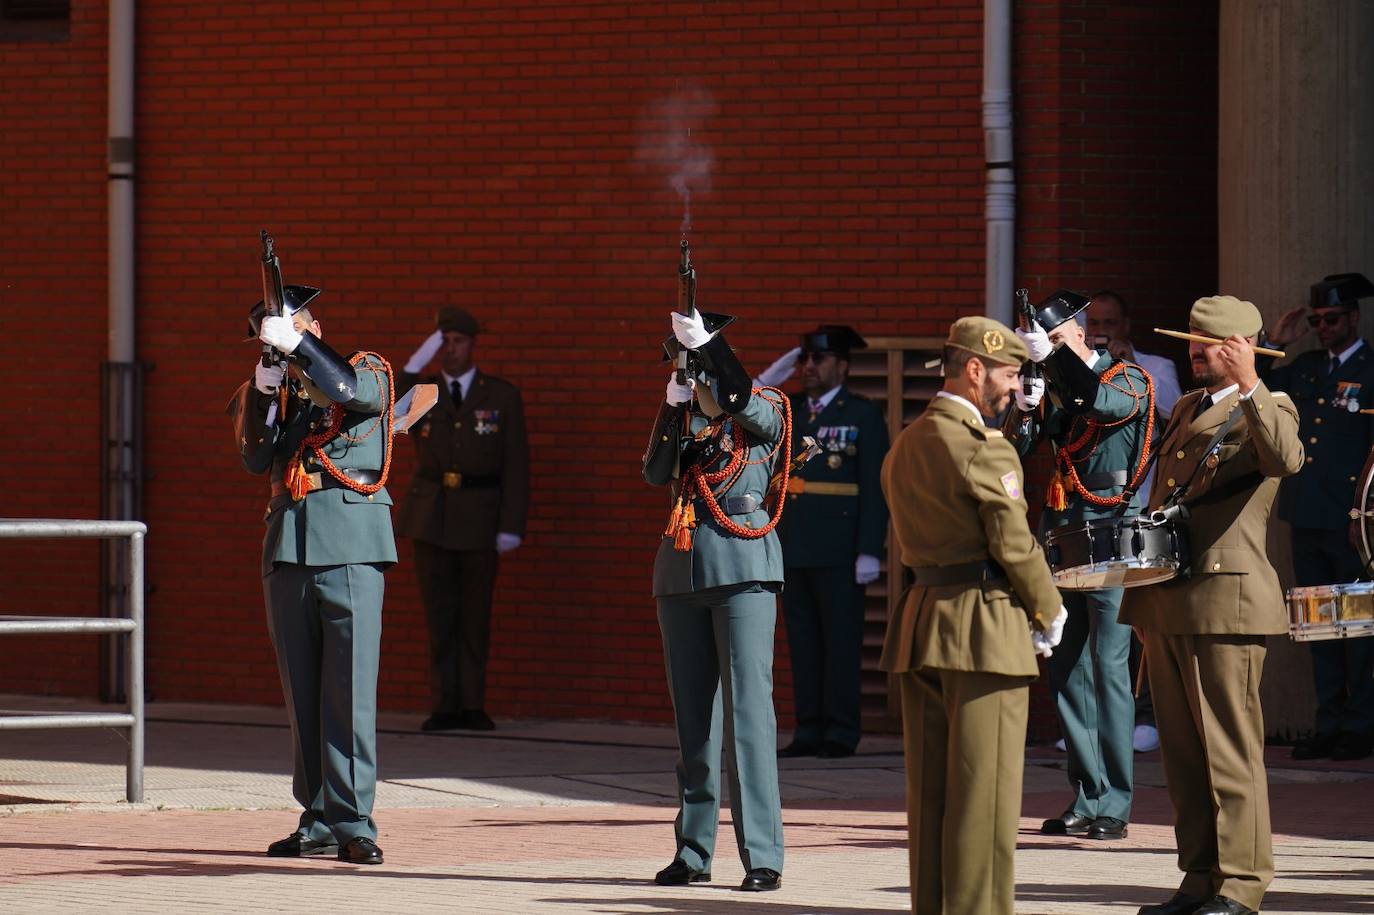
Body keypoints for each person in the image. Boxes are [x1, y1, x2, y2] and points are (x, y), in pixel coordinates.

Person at [1121, 295, 1303, 915]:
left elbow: (1285, 458)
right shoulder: (1190, 405)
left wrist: (1252, 381)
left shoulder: (1270, 406)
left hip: (1227, 599)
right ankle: (1199, 878)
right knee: (1184, 755)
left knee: (1229, 751)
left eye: (1210, 343)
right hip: (1172, 599)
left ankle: (1242, 885)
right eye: (1192, 341)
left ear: (1242, 347)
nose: (1196, 351)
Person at [880, 316, 1066, 915]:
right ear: (975, 368)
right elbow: (1014, 544)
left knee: (931, 796)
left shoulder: (906, 442)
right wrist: (1049, 608)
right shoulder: (983, 448)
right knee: (983, 800)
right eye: (1009, 374)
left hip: (922, 623)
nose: (1014, 388)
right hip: (984, 629)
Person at [227, 284, 395, 865]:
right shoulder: (273, 393)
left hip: (350, 543)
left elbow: (354, 395)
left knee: (349, 692)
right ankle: (319, 817)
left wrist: (297, 345)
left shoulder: (365, 369)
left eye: (294, 327)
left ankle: (354, 821)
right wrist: (265, 391)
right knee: (303, 693)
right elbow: (255, 456)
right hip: (289, 546)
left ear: (313, 325)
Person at [643, 307, 788, 893]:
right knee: (694, 723)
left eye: (694, 363)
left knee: (749, 717)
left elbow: (753, 411)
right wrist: (670, 405)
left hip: (742, 566)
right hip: (681, 573)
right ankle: (693, 848)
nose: (690, 373)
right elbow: (656, 473)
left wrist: (713, 356)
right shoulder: (689, 418)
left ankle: (762, 855)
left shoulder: (763, 406)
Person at [1005, 291, 1153, 842]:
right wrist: (1022, 406)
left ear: (1077, 331)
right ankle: (1085, 793)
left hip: (1113, 524)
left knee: (1111, 666)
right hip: (1065, 528)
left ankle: (1115, 799)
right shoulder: (1060, 385)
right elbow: (1015, 447)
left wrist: (1060, 362)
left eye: (1053, 335)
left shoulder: (1128, 378)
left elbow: (1107, 408)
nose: (1045, 346)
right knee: (1066, 663)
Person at [756, 326, 889, 759]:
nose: (809, 368)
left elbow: (874, 485)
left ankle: (840, 731)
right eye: (806, 361)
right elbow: (747, 407)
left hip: (840, 549)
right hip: (794, 544)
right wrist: (766, 381)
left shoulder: (863, 414)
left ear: (843, 366)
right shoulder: (790, 410)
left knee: (841, 644)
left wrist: (870, 548)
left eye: (820, 360)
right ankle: (808, 728)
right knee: (804, 644)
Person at [395, 307, 529, 732]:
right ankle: (444, 705)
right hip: (431, 516)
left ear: (473, 344)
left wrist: (511, 524)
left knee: (474, 614)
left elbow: (516, 465)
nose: (450, 349)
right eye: (444, 341)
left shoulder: (501, 396)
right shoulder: (425, 390)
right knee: (439, 614)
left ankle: (472, 704)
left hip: (479, 515)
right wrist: (415, 365)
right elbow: (393, 417)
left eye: (457, 341)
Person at [1260, 272, 1374, 761]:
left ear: (1353, 317)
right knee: (1317, 625)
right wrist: (1273, 344)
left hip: (1353, 521)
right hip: (1306, 514)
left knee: (1358, 628)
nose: (1323, 327)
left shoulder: (1372, 368)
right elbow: (1257, 395)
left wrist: (1364, 514)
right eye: (1316, 320)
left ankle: (1361, 725)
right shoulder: (1304, 367)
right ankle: (1328, 722)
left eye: (1331, 318)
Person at [1085, 289, 1181, 755]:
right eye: (1094, 323)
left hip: (1143, 508)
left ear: (1126, 324)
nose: (1102, 330)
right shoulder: (1083, 371)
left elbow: (1176, 417)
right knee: (1101, 620)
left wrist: (1131, 368)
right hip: (1097, 508)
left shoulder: (1156, 367)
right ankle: (1095, 723)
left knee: (1141, 616)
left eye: (1110, 322)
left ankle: (1145, 714)